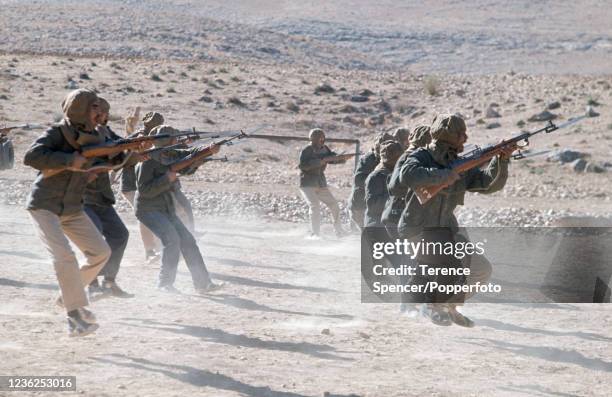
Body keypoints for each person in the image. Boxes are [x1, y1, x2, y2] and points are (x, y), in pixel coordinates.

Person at [396, 114, 515, 327]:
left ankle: (445, 304)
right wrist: (444, 175)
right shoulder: (421, 156)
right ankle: (432, 305)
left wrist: (501, 159)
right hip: (418, 229)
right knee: (450, 267)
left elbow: (487, 184)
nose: (465, 137)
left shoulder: (459, 162)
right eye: (460, 134)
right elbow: (408, 174)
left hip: (445, 230)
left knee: (480, 269)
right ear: (447, 136)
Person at [24, 88, 111, 337]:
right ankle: (75, 318)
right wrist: (68, 161)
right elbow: (32, 156)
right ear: (79, 108)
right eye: (95, 106)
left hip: (72, 207)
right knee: (65, 257)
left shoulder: (95, 136)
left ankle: (67, 297)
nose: (101, 112)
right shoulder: (57, 132)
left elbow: (113, 158)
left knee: (101, 252)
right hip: (44, 205)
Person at [134, 125, 221, 293]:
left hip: (165, 208)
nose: (177, 142)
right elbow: (145, 191)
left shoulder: (169, 155)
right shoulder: (147, 160)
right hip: (148, 209)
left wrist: (207, 152)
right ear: (167, 141)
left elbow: (188, 162)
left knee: (188, 241)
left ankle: (203, 284)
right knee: (172, 240)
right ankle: (164, 284)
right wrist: (167, 178)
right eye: (174, 139)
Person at [83, 97, 133, 298]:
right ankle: (92, 284)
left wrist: (135, 147)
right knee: (95, 241)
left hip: (101, 197)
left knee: (120, 235)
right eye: (103, 112)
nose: (105, 116)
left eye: (106, 112)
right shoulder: (78, 133)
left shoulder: (104, 131)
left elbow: (119, 150)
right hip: (82, 198)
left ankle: (109, 281)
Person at [121, 111, 163, 262]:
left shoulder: (156, 139)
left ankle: (158, 249)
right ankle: (150, 251)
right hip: (131, 185)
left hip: (142, 185)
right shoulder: (137, 138)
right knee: (145, 217)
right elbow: (122, 155)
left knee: (153, 214)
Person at [299, 128, 352, 238]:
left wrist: (343, 158)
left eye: (322, 139)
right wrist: (320, 161)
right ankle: (315, 234)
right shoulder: (307, 150)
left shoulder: (325, 149)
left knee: (334, 205)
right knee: (315, 207)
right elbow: (303, 166)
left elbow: (333, 158)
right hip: (307, 183)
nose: (321, 141)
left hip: (320, 183)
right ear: (313, 140)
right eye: (319, 139)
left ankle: (339, 231)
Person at [347, 131, 394, 230]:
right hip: (360, 206)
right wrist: (376, 174)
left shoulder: (389, 159)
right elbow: (359, 180)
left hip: (373, 205)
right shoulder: (368, 159)